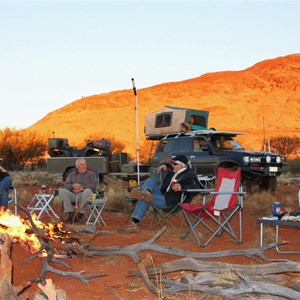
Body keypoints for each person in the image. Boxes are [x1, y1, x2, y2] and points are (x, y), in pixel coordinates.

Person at [118, 155, 201, 234]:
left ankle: (134, 223)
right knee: (149, 182)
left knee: (146, 198)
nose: (172, 165)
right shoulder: (172, 173)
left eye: (174, 164)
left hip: (172, 201)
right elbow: (166, 170)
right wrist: (163, 165)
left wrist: (181, 186)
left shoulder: (189, 174)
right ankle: (146, 191)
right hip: (163, 195)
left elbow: (196, 187)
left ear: (182, 165)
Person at [58, 158, 98, 223]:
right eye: (81, 164)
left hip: (85, 195)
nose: (84, 166)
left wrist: (82, 188)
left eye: (85, 164)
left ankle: (79, 213)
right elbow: (65, 185)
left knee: (87, 190)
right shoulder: (72, 175)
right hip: (74, 195)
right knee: (61, 191)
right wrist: (72, 186)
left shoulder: (91, 174)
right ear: (77, 166)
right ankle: (70, 212)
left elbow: (94, 186)